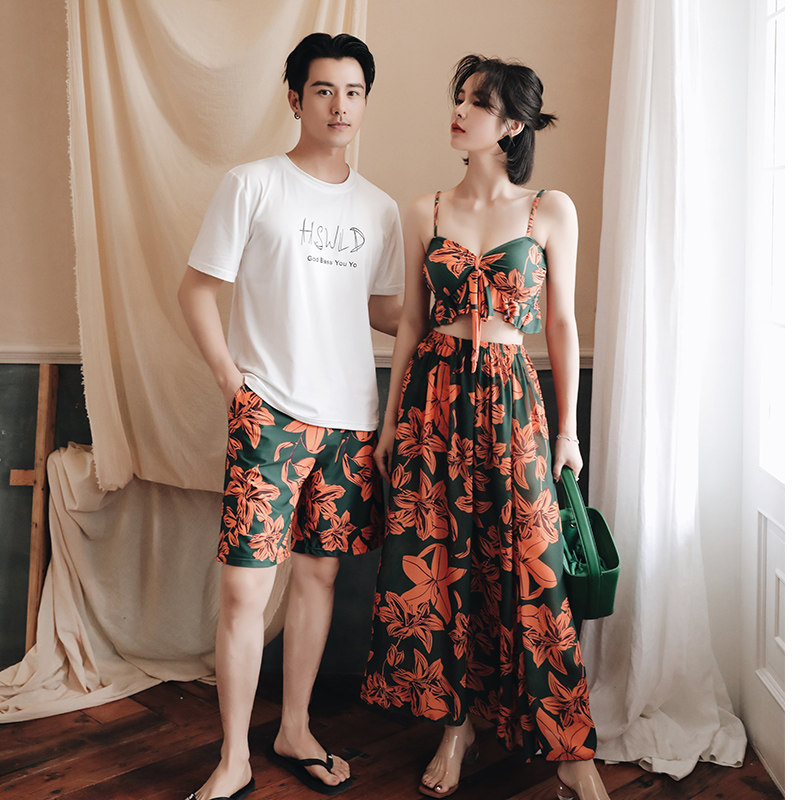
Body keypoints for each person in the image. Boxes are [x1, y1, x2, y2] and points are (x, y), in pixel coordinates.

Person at [360, 55, 610, 800]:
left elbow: (561, 325)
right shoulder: (425, 210)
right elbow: (410, 323)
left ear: (512, 126)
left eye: (478, 103)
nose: (460, 111)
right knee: (441, 565)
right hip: (432, 402)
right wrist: (388, 422)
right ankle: (455, 724)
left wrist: (568, 433)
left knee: (532, 565)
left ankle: (570, 748)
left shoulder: (549, 210)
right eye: (461, 98)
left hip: (512, 400)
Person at [178, 32, 404, 800]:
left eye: (354, 92)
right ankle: (233, 757)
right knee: (245, 592)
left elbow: (381, 310)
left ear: (365, 102)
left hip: (352, 423)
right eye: (324, 90)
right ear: (295, 99)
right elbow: (196, 289)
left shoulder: (380, 208)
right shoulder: (252, 185)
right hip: (268, 415)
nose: (340, 106)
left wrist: (462, 298)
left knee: (317, 578)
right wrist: (231, 383)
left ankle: (295, 728)